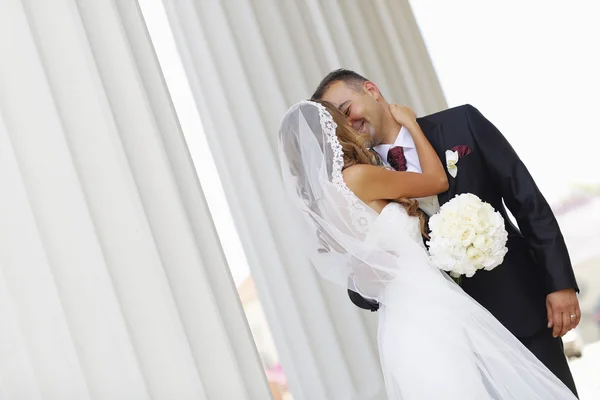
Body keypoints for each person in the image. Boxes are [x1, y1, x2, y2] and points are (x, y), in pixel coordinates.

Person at [279, 99, 578, 399]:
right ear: (332, 131)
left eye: (347, 109)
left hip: (409, 323)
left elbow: (526, 201)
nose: (349, 121)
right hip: (434, 313)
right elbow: (437, 180)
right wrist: (411, 123)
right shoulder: (359, 176)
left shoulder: (325, 202)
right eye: (340, 117)